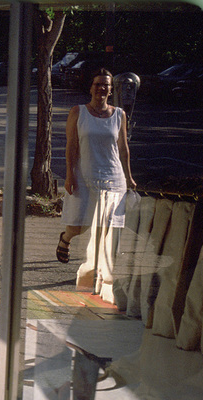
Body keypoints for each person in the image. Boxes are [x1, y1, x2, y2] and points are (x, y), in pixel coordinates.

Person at [58, 68, 136, 294]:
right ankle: (65, 239)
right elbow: (71, 146)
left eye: (106, 85)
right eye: (97, 84)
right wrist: (69, 174)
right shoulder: (78, 112)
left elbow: (123, 148)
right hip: (84, 175)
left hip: (113, 178)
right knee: (78, 225)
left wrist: (129, 177)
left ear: (111, 90)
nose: (101, 88)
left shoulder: (119, 114)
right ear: (90, 87)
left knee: (104, 232)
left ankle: (99, 278)